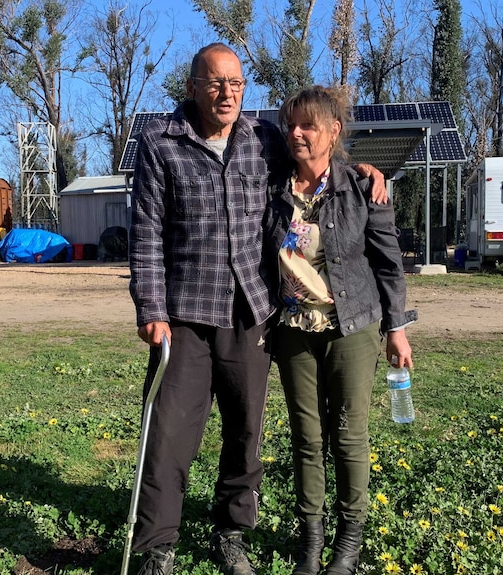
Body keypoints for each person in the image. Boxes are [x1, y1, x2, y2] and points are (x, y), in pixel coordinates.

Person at [127, 43, 386, 575]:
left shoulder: (263, 138)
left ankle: (232, 532)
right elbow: (146, 233)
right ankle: (157, 546)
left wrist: (360, 171)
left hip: (252, 312)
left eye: (237, 84)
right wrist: (150, 307)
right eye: (216, 83)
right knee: (170, 433)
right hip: (185, 313)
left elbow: (314, 162)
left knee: (246, 433)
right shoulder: (160, 142)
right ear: (193, 86)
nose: (227, 93)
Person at [264, 86, 417, 575]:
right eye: (292, 124)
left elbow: (389, 264)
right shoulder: (273, 189)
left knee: (349, 436)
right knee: (306, 439)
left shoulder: (361, 187)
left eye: (308, 125)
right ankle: (311, 542)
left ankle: (347, 545)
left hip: (353, 327)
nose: (296, 133)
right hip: (293, 331)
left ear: (334, 131)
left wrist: (397, 328)